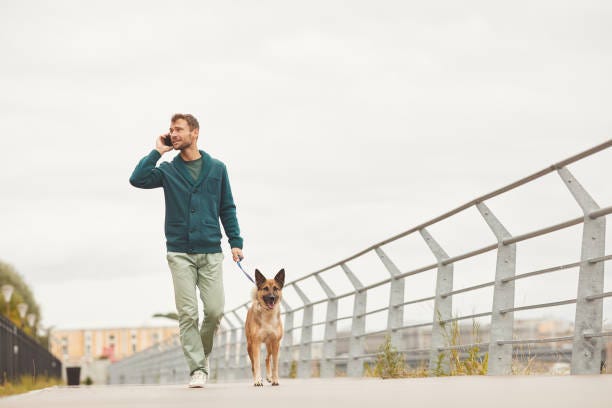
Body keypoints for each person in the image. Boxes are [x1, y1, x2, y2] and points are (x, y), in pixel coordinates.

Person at [129, 113, 244, 388]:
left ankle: (200, 356)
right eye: (171, 130)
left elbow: (226, 207)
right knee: (188, 313)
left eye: (179, 129)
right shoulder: (168, 170)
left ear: (195, 133)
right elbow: (138, 179)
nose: (174, 133)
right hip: (179, 251)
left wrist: (235, 241)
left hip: (211, 250)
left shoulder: (217, 168)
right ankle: (197, 368)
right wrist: (157, 151)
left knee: (215, 311)